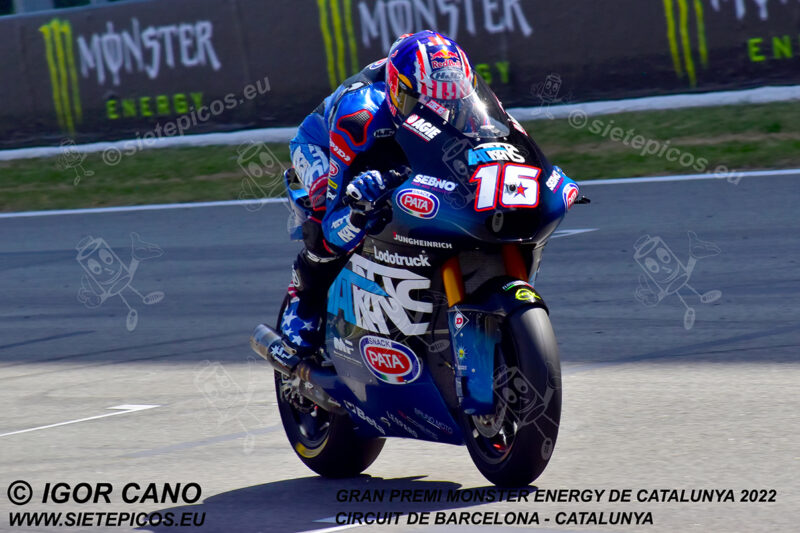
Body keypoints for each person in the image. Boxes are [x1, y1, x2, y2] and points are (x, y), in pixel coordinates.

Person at [280, 30, 479, 357]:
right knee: (325, 219)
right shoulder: (358, 116)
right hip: (328, 146)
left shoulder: (459, 97)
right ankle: (303, 302)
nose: (440, 112)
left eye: (450, 103)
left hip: (403, 150)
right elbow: (334, 221)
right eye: (424, 104)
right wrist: (356, 212)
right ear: (397, 91)